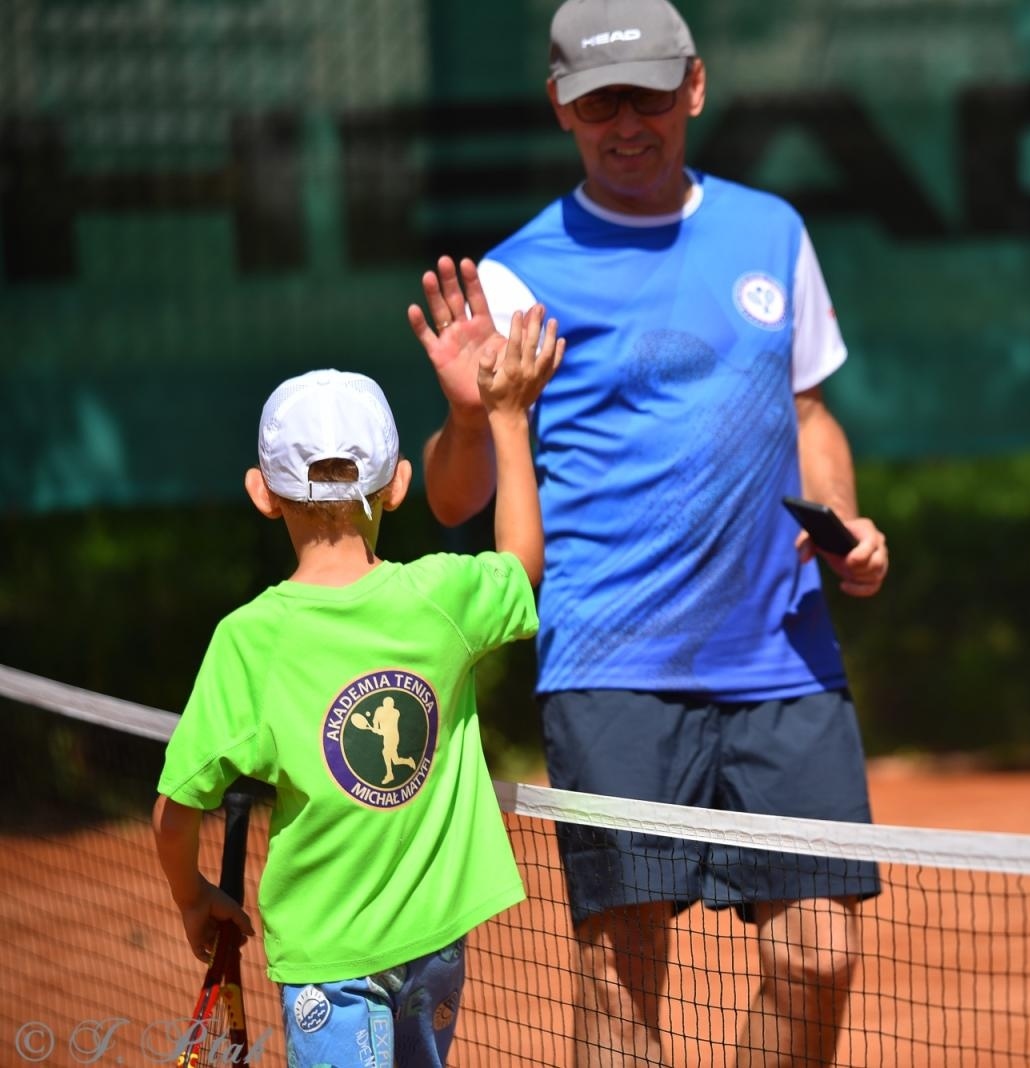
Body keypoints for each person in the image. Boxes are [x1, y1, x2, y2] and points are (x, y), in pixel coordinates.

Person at [407, 0, 890, 1063]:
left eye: (650, 95)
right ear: (561, 110)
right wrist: (462, 411)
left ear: (696, 88)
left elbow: (809, 412)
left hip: (784, 661)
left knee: (820, 957)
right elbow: (450, 503)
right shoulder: (515, 273)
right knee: (622, 966)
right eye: (599, 102)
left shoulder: (772, 231)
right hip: (611, 662)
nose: (628, 122)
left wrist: (846, 519)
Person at [151, 310, 564, 1068]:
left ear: (261, 493)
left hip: (327, 961)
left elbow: (174, 815)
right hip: (438, 941)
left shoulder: (249, 638)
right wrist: (507, 416)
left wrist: (192, 897)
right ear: (400, 484)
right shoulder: (443, 598)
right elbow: (522, 562)